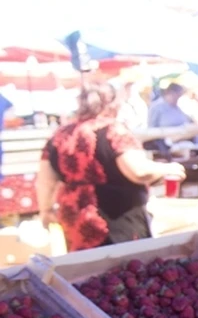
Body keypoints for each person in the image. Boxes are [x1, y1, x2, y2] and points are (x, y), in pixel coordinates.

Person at [36, 82, 185, 252]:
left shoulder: (59, 135)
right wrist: (167, 169)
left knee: (84, 271)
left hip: (75, 219)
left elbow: (45, 182)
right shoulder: (113, 130)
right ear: (114, 103)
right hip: (114, 221)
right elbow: (138, 171)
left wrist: (45, 211)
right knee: (122, 272)